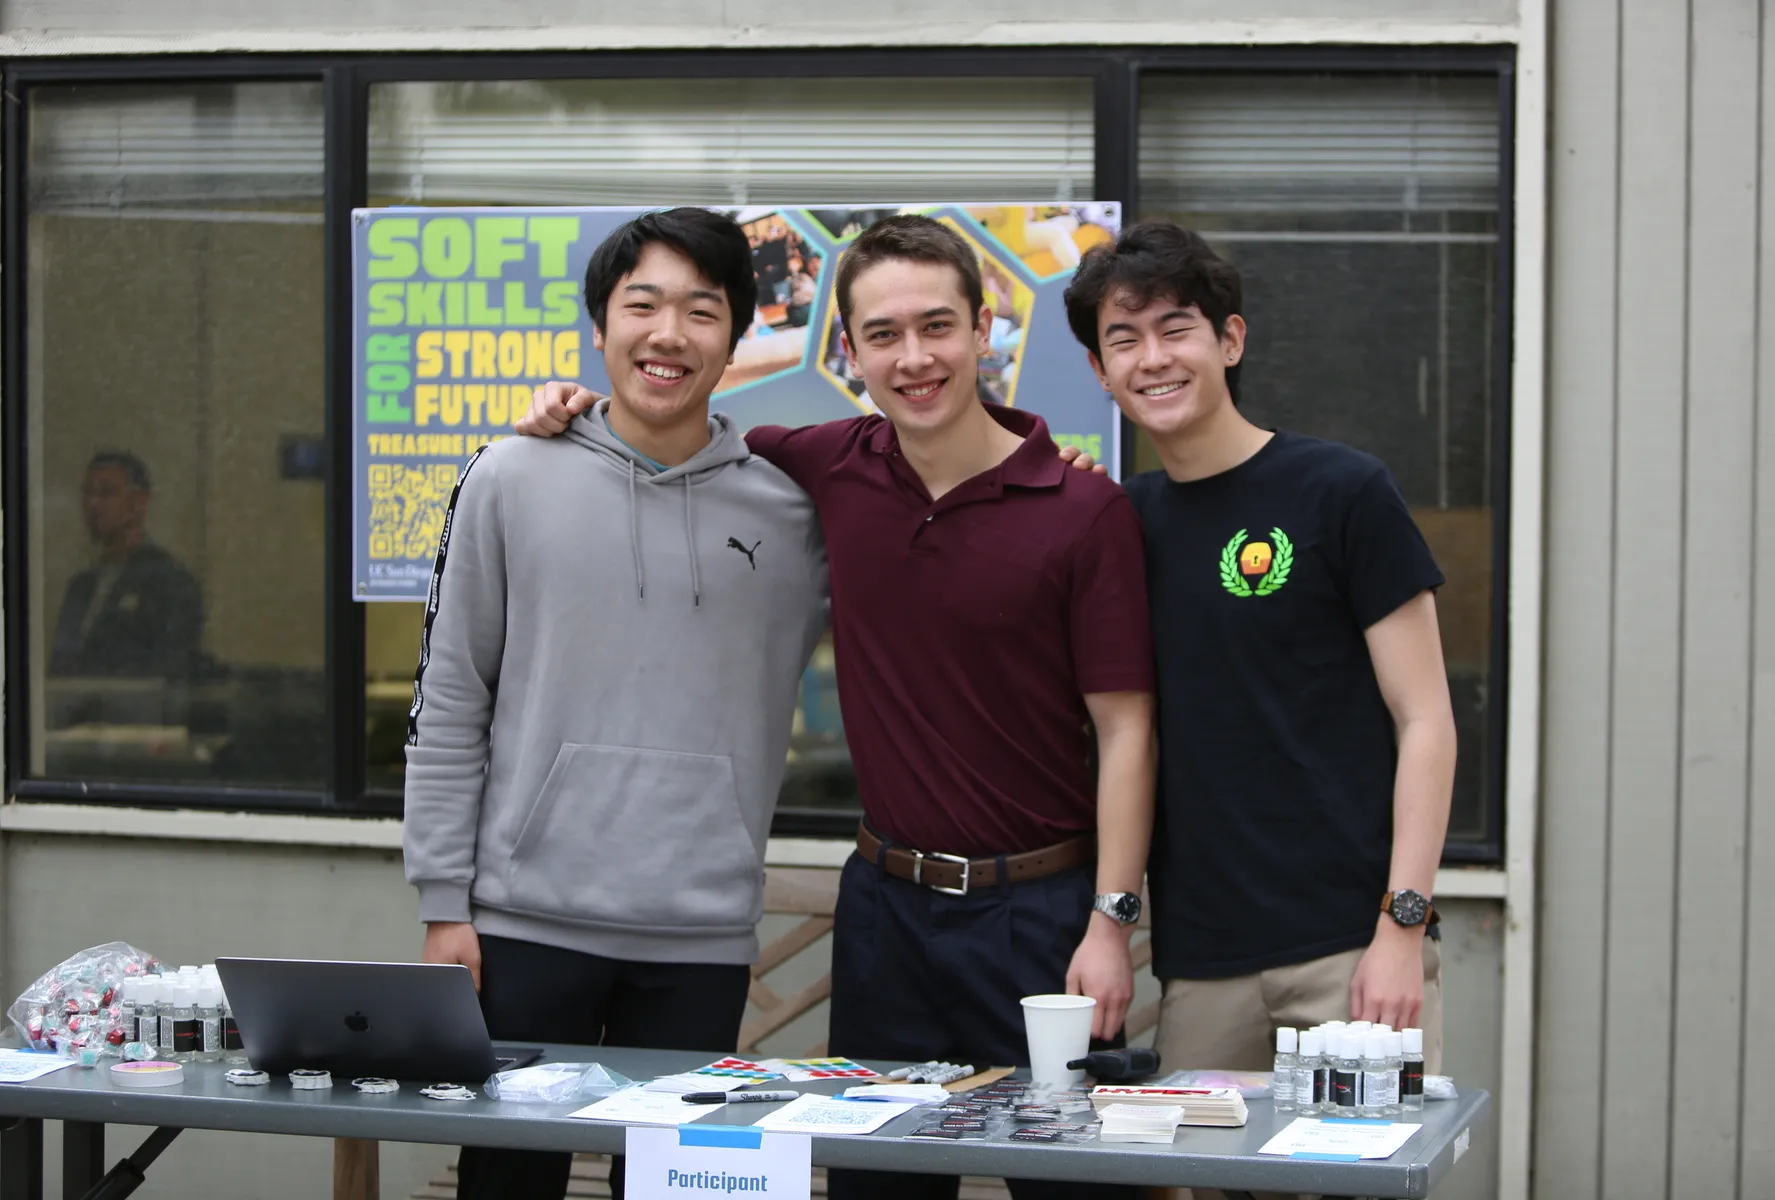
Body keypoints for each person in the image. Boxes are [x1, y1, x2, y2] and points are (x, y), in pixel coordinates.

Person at [520, 215, 1157, 1200]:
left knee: (1068, 1185)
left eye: (938, 327)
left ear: (984, 330)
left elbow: (1126, 731)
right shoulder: (819, 466)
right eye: (884, 335)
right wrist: (581, 408)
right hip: (886, 912)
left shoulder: (1084, 510)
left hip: (1039, 918)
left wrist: (1111, 921)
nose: (916, 358)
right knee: (875, 1185)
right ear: (846, 351)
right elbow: (675, 429)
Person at [402, 208, 830, 1200]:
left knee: (686, 1190)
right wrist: (441, 901)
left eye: (701, 310)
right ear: (600, 326)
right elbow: (451, 694)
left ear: (738, 338)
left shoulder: (793, 510)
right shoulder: (509, 476)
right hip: (521, 926)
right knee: (508, 1184)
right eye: (643, 305)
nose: (668, 335)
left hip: (703, 934)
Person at [1061, 221, 1457, 1100]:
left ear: (1229, 339)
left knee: (1364, 1177)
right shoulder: (1118, 524)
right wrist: (1116, 923)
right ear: (1099, 371)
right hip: (1203, 966)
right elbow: (1130, 734)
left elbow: (1426, 719)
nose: (1152, 358)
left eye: (1176, 329)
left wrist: (1403, 928)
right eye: (1122, 339)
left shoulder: (1342, 491)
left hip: (1354, 953)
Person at [50, 450, 202, 683]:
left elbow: (168, 673)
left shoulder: (169, 581)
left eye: (106, 493)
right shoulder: (81, 585)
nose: (93, 504)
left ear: (138, 502)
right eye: (87, 493)